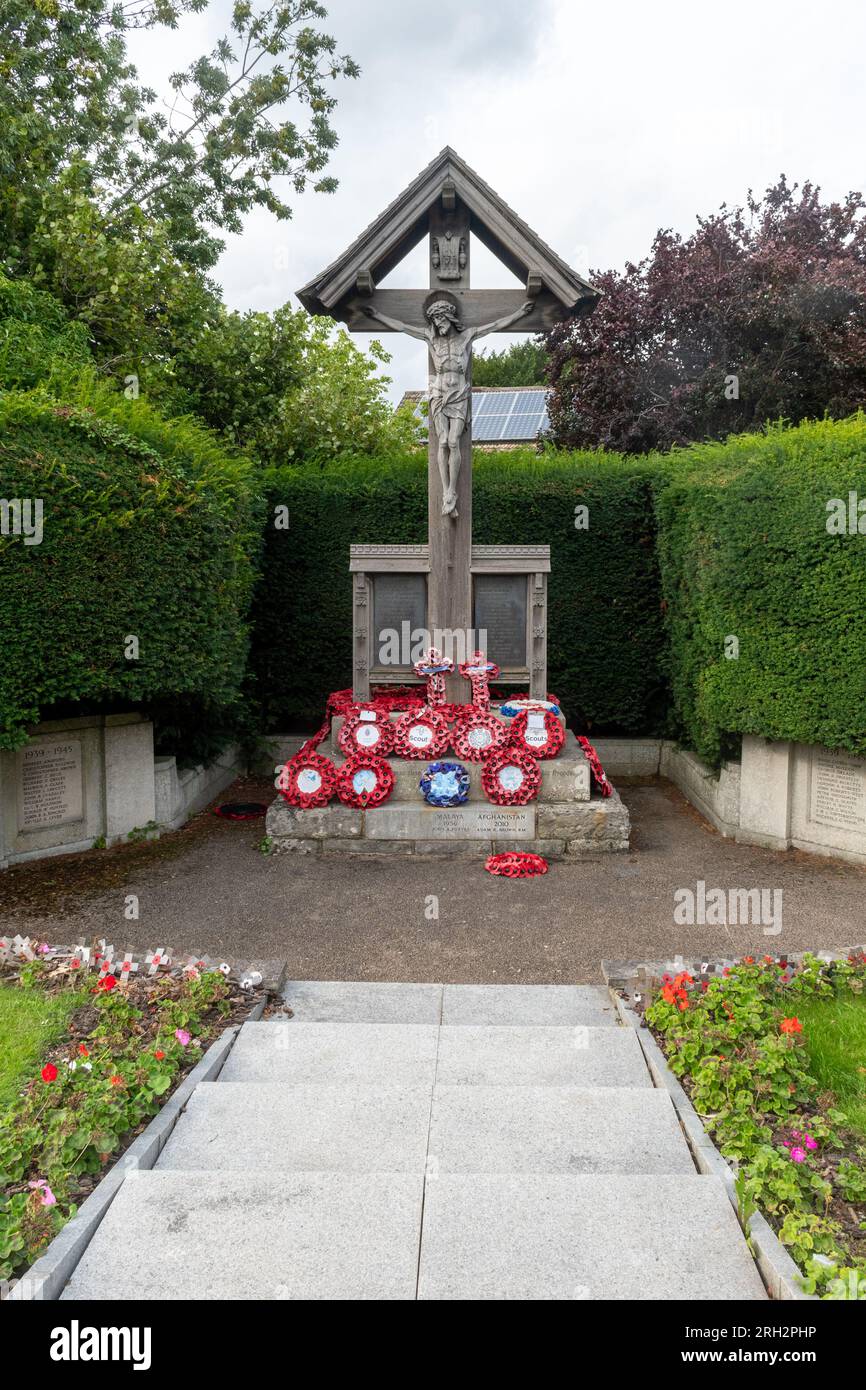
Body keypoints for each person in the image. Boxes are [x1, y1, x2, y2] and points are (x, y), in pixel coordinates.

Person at [365, 292, 533, 517]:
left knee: (454, 441)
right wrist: (376, 315)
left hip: (459, 394)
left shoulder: (467, 336)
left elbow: (495, 324)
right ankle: (447, 492)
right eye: (434, 321)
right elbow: (402, 326)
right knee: (442, 441)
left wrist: (520, 312)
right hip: (439, 393)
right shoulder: (430, 338)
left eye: (440, 320)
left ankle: (452, 491)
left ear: (449, 317)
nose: (438, 325)